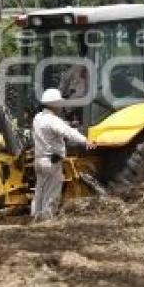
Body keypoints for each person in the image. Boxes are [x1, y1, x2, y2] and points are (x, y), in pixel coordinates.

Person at [31, 88, 96, 220]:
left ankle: (34, 217)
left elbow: (56, 126)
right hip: (51, 162)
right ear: (55, 105)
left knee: (39, 191)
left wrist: (68, 124)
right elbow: (68, 132)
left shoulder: (38, 118)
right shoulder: (53, 121)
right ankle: (46, 221)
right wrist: (86, 141)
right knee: (52, 194)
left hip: (38, 161)